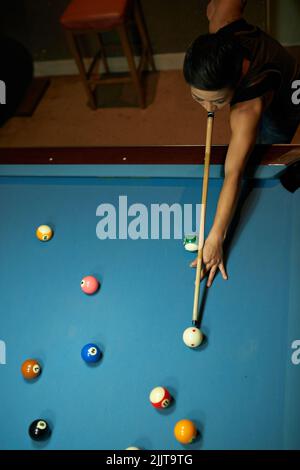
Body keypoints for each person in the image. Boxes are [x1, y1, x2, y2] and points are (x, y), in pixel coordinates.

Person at [183, 0, 300, 286]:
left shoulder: (248, 107)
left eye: (218, 100)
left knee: (249, 161)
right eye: (198, 98)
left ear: (236, 84)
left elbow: (234, 174)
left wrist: (215, 236)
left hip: (289, 94)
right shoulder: (221, 17)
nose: (208, 108)